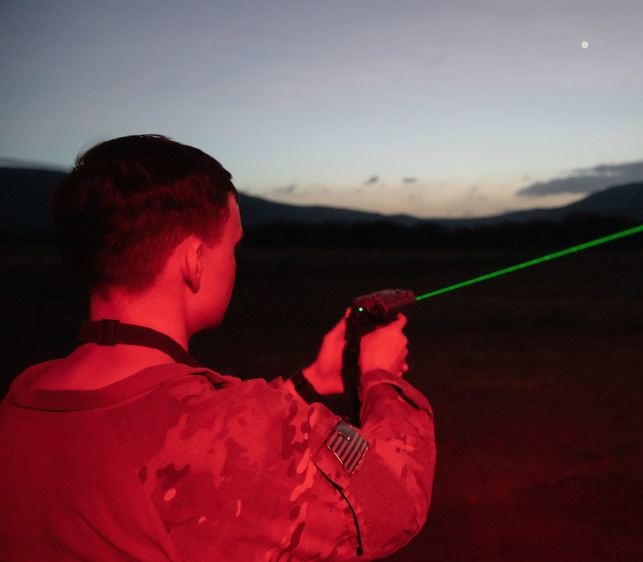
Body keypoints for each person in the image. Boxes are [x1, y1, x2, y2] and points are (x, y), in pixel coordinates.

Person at [0, 135, 435, 561]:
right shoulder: (229, 428)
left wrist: (311, 380)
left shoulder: (22, 399)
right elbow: (397, 501)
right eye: (233, 245)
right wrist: (382, 378)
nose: (234, 262)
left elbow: (187, 432)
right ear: (194, 262)